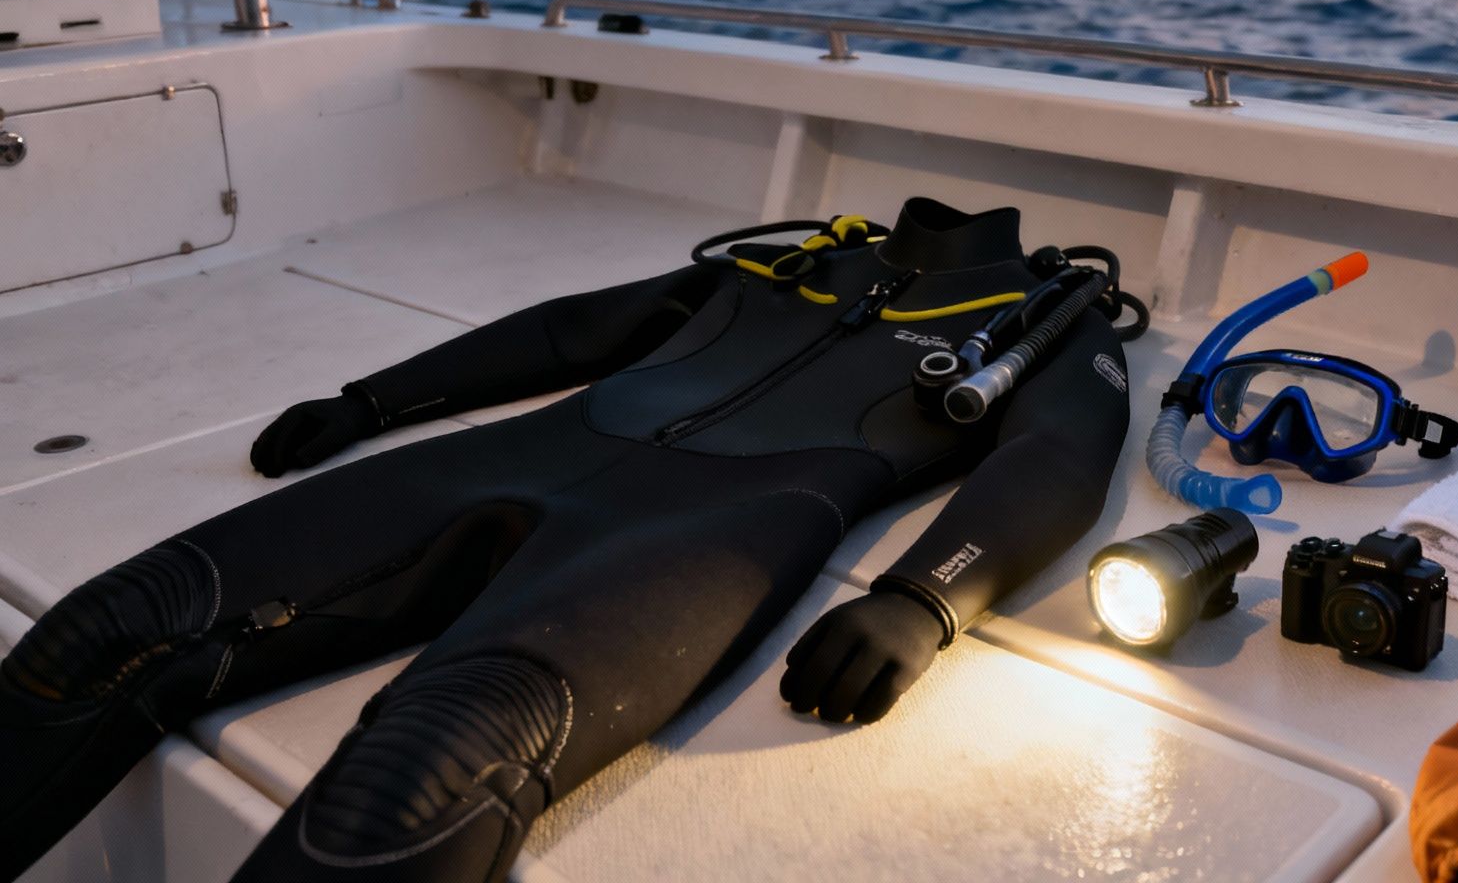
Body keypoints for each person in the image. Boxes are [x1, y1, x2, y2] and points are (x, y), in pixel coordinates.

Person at [0, 198, 1136, 883]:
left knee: (424, 768)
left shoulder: (1038, 328)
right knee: (109, 625)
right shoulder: (789, 264)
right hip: (514, 458)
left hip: (707, 536)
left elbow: (1058, 463)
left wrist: (922, 601)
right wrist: (377, 401)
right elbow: (569, 331)